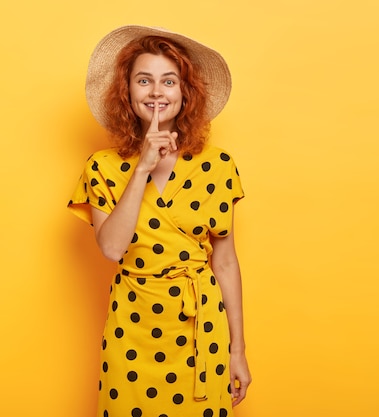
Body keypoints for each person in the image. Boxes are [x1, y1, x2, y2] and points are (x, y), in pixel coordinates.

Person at [68, 25, 251, 417]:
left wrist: (238, 350)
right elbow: (113, 248)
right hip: (132, 329)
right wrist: (141, 170)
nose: (156, 91)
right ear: (127, 91)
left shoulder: (218, 166)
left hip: (202, 329)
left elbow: (226, 262)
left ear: (185, 92)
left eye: (169, 81)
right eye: (144, 80)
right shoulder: (102, 167)